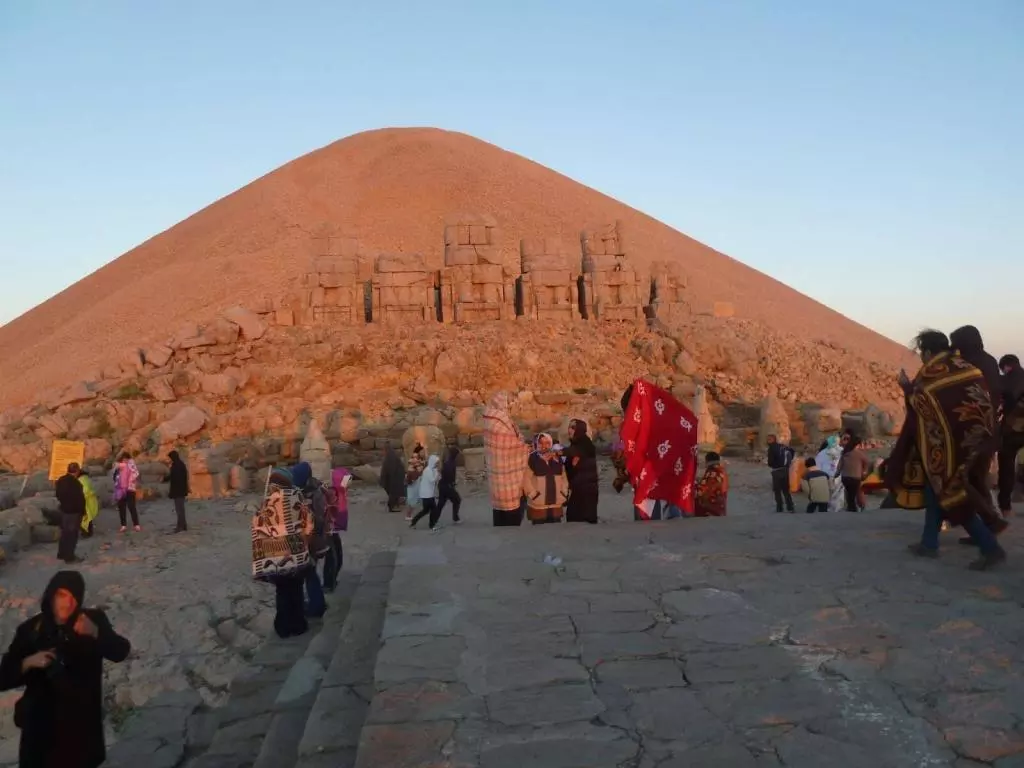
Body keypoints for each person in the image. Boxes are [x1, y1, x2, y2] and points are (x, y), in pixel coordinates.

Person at [887, 330, 1006, 570]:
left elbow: (921, 405)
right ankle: (928, 543)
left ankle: (990, 547)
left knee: (950, 494)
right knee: (937, 491)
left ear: (929, 352)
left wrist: (906, 388)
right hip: (979, 440)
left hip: (951, 447)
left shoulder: (932, 373)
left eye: (922, 353)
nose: (922, 358)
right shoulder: (965, 365)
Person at [0, 570, 131, 768]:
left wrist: (95, 633)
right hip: (41, 735)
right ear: (51, 595)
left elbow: (120, 652)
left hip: (81, 734)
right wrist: (28, 662)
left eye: (74, 597)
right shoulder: (31, 630)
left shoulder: (92, 620)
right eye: (62, 595)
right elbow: (2, 678)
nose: (68, 603)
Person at [619, 379, 699, 520]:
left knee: (654, 493)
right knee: (653, 493)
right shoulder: (646, 422)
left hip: (657, 468)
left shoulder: (655, 422)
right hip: (655, 469)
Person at [483, 392, 529, 526]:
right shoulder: (497, 421)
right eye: (508, 402)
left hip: (497, 478)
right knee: (512, 514)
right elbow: (509, 443)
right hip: (507, 476)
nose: (510, 405)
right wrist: (526, 448)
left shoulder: (491, 419)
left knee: (499, 513)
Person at [292, 462, 328, 618]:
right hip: (311, 537)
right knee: (309, 572)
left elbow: (317, 518)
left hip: (312, 538)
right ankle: (315, 603)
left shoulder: (313, 493)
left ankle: (317, 606)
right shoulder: (307, 490)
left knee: (309, 572)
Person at [997, 354, 1024, 516]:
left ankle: (1005, 507)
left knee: (1006, 467)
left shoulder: (1006, 379)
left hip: (1012, 430)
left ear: (1006, 366)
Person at [523, 433, 568, 524]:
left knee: (555, 533)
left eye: (547, 443)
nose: (544, 446)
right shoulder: (532, 458)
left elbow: (564, 477)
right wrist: (533, 495)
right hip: (538, 504)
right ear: (536, 444)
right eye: (541, 443)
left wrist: (563, 492)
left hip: (556, 503)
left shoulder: (558, 458)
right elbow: (526, 479)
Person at [564, 418, 599, 524]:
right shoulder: (575, 443)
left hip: (587, 488)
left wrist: (558, 452)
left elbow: (576, 451)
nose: (570, 430)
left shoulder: (585, 442)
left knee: (584, 519)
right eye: (569, 427)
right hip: (577, 487)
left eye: (573, 427)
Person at [322, 467, 350, 592]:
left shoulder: (337, 489)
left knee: (336, 555)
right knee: (332, 556)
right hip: (331, 526)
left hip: (334, 526)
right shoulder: (333, 490)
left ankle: (331, 580)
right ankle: (328, 583)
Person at [54, 463, 86, 565]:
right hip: (74, 512)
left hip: (64, 510)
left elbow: (57, 494)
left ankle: (61, 553)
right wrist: (83, 511)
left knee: (64, 533)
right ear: (76, 471)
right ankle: (70, 557)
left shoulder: (60, 480)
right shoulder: (76, 484)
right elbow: (80, 499)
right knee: (72, 535)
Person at [409, 455, 442, 531]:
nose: (437, 464)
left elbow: (437, 479)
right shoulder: (428, 470)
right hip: (427, 494)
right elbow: (432, 480)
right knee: (433, 510)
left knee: (426, 510)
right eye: (436, 463)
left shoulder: (432, 469)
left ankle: (414, 522)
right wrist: (437, 473)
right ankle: (431, 525)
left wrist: (438, 474)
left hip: (429, 494)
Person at [838, 435, 871, 512]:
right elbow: (866, 462)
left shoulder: (845, 452)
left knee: (849, 493)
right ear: (858, 444)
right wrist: (864, 472)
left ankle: (851, 507)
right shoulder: (860, 454)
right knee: (855, 493)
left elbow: (840, 465)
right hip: (855, 477)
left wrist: (837, 473)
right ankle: (854, 508)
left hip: (845, 477)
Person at [766, 435, 796, 513]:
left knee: (777, 490)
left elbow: (770, 462)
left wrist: (772, 464)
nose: (768, 441)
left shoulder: (771, 448)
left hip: (776, 471)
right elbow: (792, 451)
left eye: (769, 439)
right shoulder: (782, 446)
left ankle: (779, 508)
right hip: (785, 470)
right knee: (786, 490)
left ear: (773, 440)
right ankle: (790, 507)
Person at [114, 452, 141, 533]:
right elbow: (115, 476)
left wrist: (130, 479)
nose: (124, 460)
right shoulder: (119, 467)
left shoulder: (131, 465)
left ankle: (136, 525)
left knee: (131, 507)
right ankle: (123, 525)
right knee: (121, 507)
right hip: (121, 489)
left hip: (130, 489)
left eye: (126, 459)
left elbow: (136, 473)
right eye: (123, 459)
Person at [695, 452, 729, 516]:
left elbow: (704, 489)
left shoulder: (712, 472)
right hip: (721, 506)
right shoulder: (722, 471)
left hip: (711, 508)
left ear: (707, 461)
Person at [165, 450, 189, 533]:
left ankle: (180, 526)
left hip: (178, 491)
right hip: (181, 490)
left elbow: (173, 477)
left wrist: (165, 479)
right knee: (181, 509)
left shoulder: (176, 465)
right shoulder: (181, 464)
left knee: (179, 509)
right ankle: (183, 525)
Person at [437, 446, 462, 525]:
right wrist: (452, 483)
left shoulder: (449, 462)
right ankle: (455, 518)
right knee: (457, 500)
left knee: (441, 504)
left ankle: (434, 519)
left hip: (444, 486)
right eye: (458, 455)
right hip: (447, 486)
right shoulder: (450, 464)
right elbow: (448, 475)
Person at [379, 442, 406, 514]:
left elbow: (391, 469)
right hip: (394, 478)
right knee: (393, 492)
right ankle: (392, 506)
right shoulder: (391, 456)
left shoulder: (390, 456)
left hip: (394, 478)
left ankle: (394, 505)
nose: (383, 452)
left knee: (394, 492)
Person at [403, 445, 426, 522]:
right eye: (422, 451)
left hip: (416, 481)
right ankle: (408, 515)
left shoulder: (419, 459)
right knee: (412, 499)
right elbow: (419, 469)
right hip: (413, 482)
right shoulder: (415, 459)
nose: (424, 452)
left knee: (415, 498)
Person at [77, 469, 99, 539]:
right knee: (88, 518)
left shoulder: (81, 480)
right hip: (89, 501)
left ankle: (86, 533)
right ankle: (88, 532)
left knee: (85, 518)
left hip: (85, 501)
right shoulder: (86, 479)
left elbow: (85, 490)